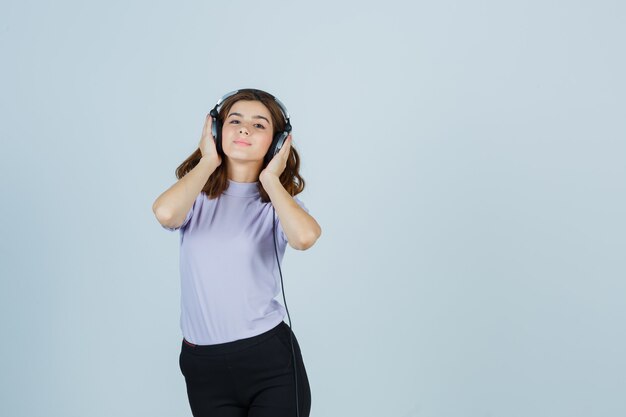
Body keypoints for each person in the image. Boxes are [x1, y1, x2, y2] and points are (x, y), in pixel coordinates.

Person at [152, 88, 321, 417]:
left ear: (277, 142)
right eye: (234, 121)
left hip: (268, 359)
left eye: (259, 125)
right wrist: (208, 161)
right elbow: (165, 213)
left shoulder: (276, 205)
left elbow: (304, 237)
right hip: (203, 365)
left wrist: (270, 178)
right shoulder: (195, 197)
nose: (245, 129)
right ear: (215, 130)